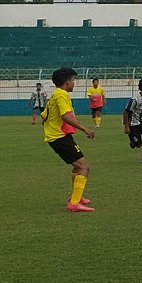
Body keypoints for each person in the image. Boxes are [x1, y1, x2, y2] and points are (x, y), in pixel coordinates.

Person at [43, 67, 97, 212]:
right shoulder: (61, 95)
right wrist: (85, 129)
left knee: (77, 166)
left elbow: (44, 115)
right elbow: (65, 116)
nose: (74, 83)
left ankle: (76, 197)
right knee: (83, 167)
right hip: (59, 137)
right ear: (67, 82)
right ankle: (74, 203)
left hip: (57, 136)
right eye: (73, 80)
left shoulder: (56, 94)